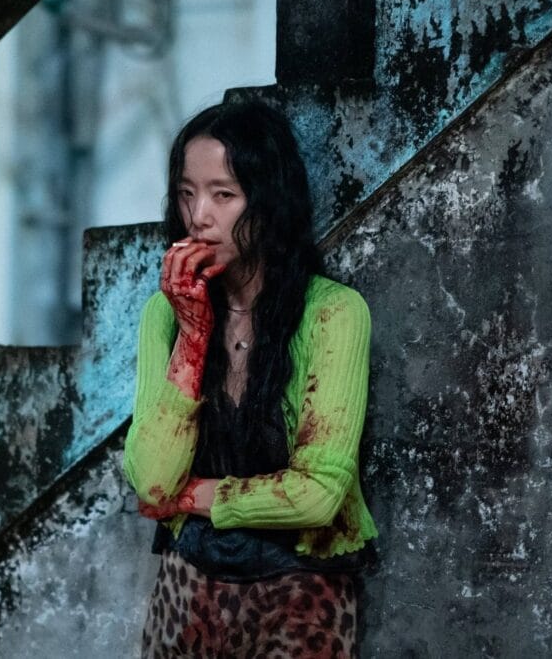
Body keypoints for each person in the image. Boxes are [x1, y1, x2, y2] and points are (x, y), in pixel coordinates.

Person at [122, 99, 377, 658]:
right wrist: (192, 335)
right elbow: (152, 482)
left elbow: (317, 495)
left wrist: (195, 496)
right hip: (188, 584)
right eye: (187, 194)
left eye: (223, 194)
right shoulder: (163, 313)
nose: (199, 217)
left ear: (267, 204)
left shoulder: (332, 313)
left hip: (302, 585)